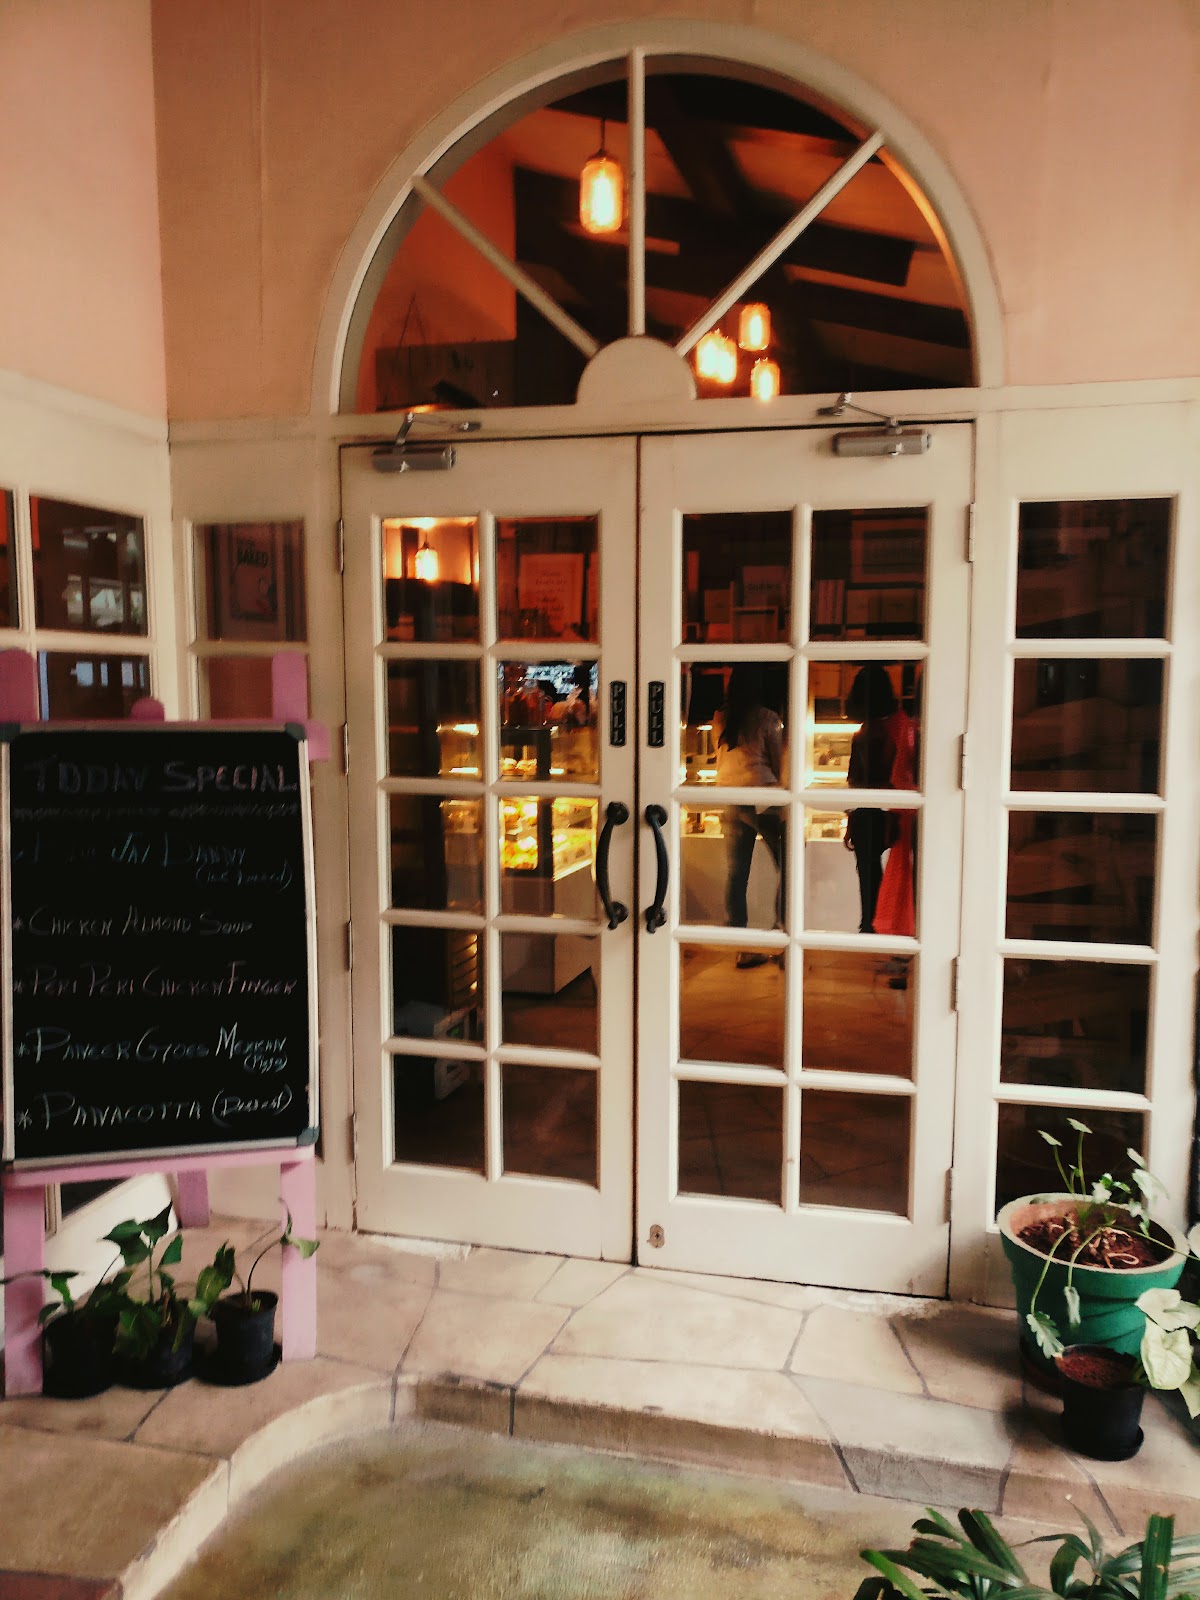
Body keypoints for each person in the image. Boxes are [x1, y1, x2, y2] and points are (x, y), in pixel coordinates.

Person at [713, 665, 785, 967]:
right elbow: (780, 761)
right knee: (789, 864)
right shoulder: (767, 717)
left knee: (736, 872)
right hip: (764, 798)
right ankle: (782, 934)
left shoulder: (721, 717)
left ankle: (739, 944)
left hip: (730, 797)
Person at [843, 665, 915, 934]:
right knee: (901, 879)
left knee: (869, 875)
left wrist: (850, 820)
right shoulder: (902, 723)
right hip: (903, 809)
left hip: (871, 811)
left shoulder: (867, 731)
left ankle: (871, 928)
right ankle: (891, 927)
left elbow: (855, 780)